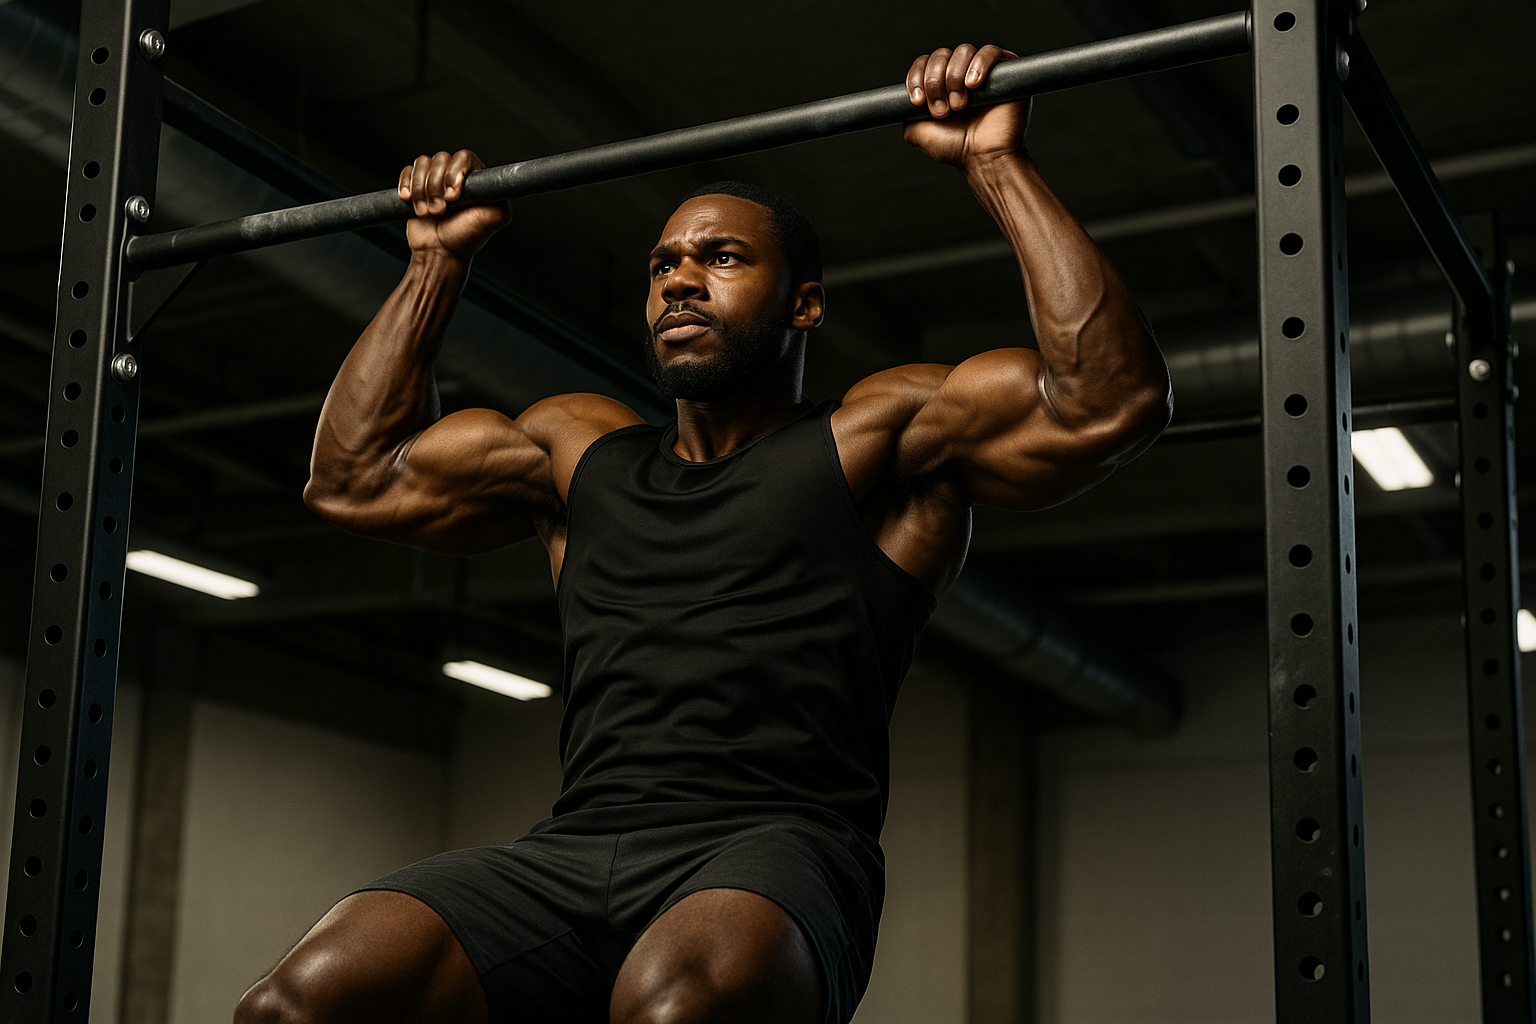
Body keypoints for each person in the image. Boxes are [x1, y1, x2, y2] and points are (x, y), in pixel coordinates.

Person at [238, 43, 1170, 1024]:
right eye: (664, 265)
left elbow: (1110, 401)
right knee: (296, 1005)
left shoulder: (879, 441)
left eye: (721, 258)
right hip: (571, 849)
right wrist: (435, 263)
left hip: (777, 848)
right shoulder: (576, 449)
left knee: (677, 1007)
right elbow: (351, 479)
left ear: (803, 302)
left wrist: (993, 163)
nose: (681, 280)